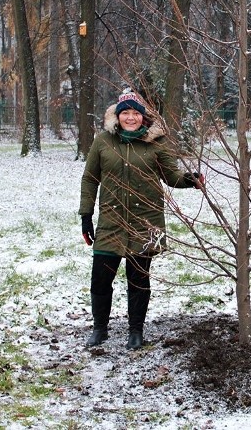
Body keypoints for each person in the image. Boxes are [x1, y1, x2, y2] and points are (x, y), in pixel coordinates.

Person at [79, 88, 204, 350]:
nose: (131, 117)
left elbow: (171, 176)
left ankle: (136, 331)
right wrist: (86, 215)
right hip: (111, 222)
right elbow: (90, 179)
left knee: (138, 278)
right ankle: (100, 329)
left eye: (136, 113)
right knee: (100, 279)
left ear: (143, 117)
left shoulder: (155, 144)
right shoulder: (102, 141)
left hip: (145, 222)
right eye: (126, 112)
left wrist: (191, 180)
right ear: (118, 115)